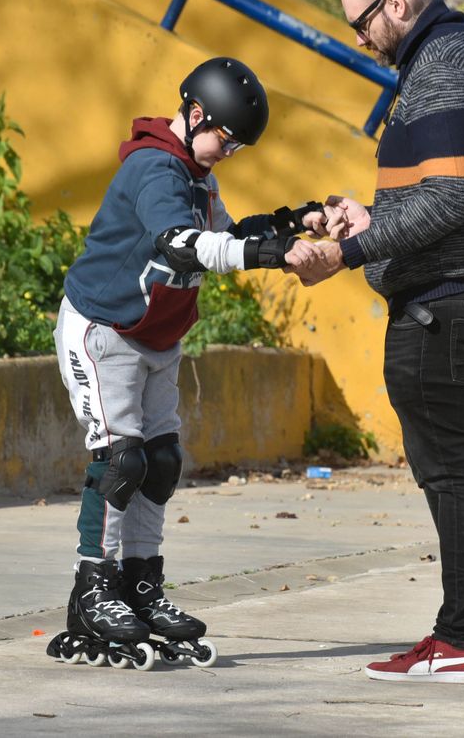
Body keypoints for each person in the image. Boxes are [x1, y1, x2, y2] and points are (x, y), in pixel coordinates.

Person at [291, 0, 464, 684]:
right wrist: (374, 216)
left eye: (361, 23)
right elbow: (444, 191)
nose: (361, 40)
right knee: (454, 461)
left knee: (453, 466)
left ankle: (463, 637)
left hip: (452, 302)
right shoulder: (457, 55)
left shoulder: (440, 66)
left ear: (396, 2)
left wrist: (352, 251)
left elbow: (450, 201)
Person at [46, 56, 322, 669]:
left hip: (156, 336)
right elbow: (183, 243)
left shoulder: (196, 175)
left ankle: (141, 584)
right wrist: (271, 255)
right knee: (122, 460)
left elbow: (225, 230)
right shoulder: (155, 167)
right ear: (195, 114)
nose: (229, 152)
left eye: (237, 145)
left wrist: (288, 223)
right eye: (226, 138)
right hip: (103, 329)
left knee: (161, 462)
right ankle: (95, 586)